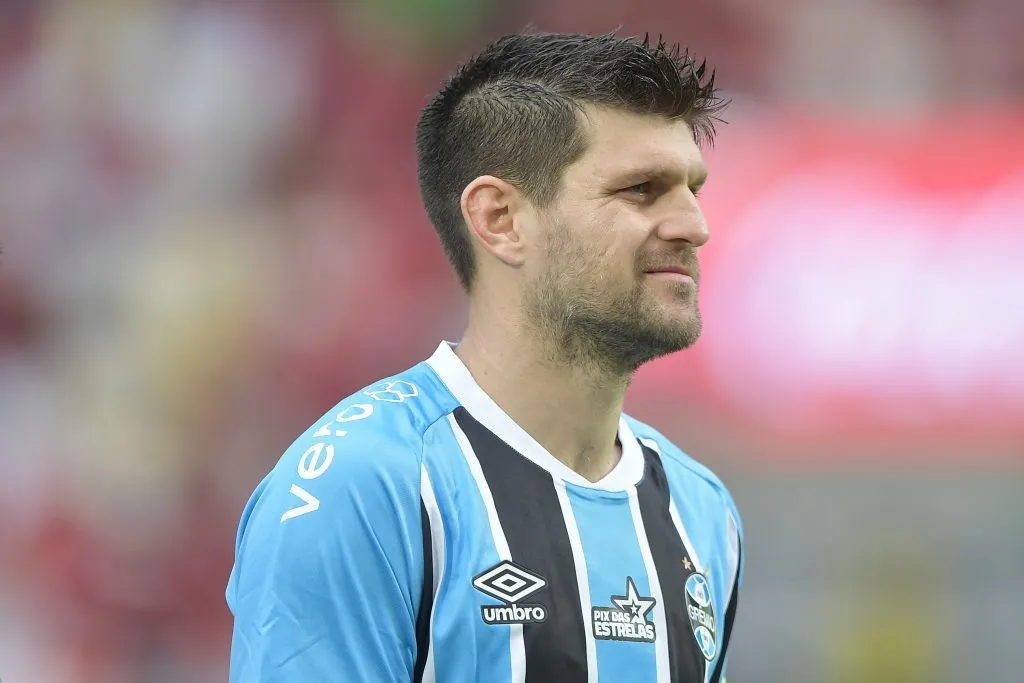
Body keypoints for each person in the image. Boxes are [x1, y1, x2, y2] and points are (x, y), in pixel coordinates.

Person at [226, 30, 744, 683]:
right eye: (642, 189)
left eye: (692, 187)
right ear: (499, 217)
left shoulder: (701, 510)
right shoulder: (363, 485)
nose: (693, 223)